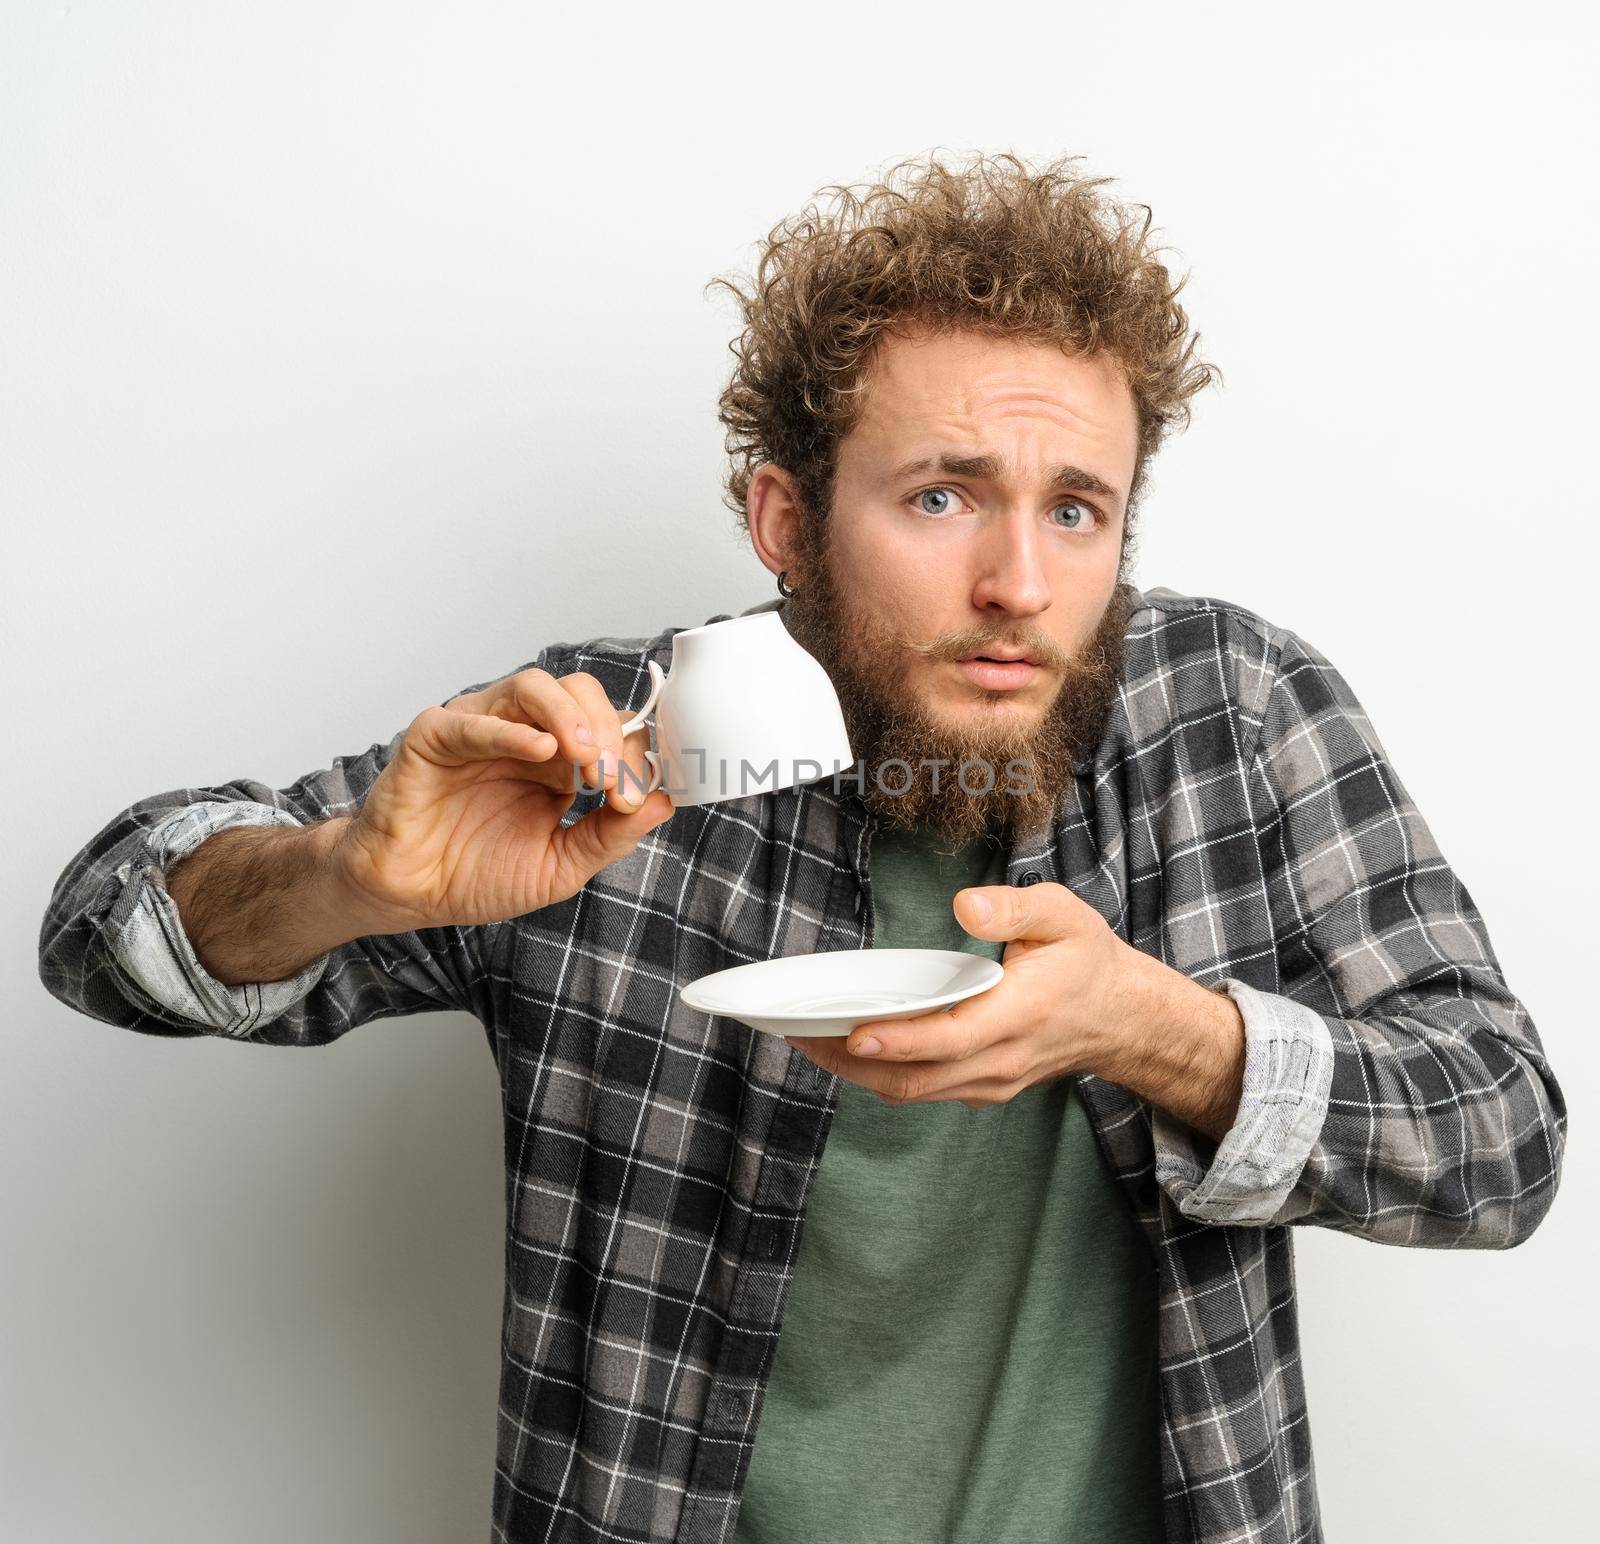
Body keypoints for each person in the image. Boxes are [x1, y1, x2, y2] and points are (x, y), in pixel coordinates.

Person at [38, 152, 1567, 1544]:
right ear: (784, 522)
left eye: (1080, 510)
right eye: (942, 495)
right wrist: (343, 878)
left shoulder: (1232, 713)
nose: (1019, 583)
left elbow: (1501, 1135)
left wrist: (1157, 1031)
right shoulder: (600, 749)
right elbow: (100, 933)